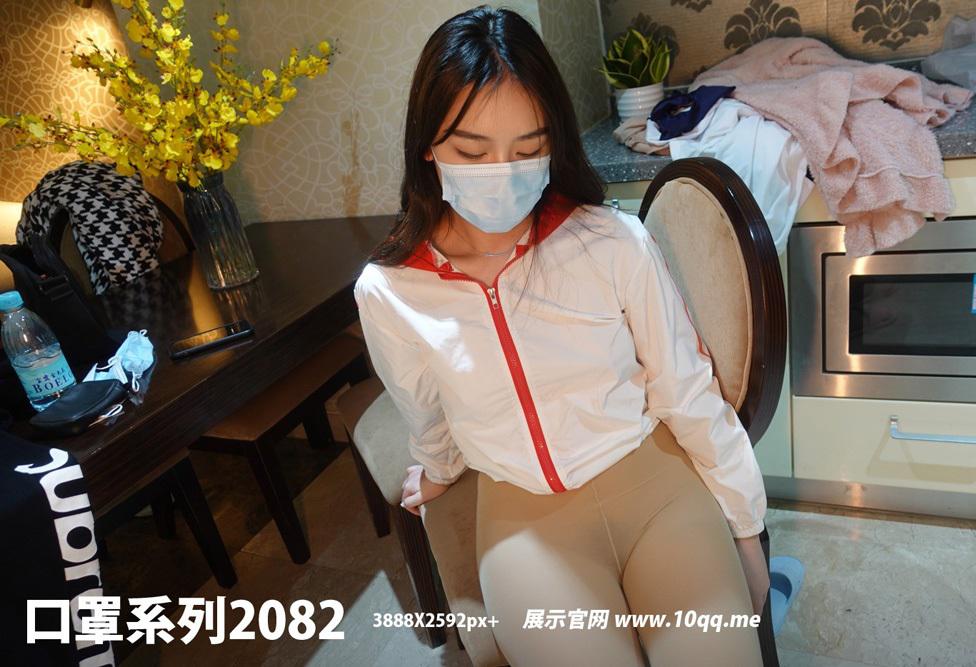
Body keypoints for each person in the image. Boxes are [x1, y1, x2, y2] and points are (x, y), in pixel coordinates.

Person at [353, 5, 769, 666]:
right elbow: (426, 409)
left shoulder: (610, 241)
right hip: (524, 521)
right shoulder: (390, 291)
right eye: (472, 151)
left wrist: (746, 527)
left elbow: (685, 386)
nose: (502, 171)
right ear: (427, 146)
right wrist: (437, 471)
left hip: (654, 485)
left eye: (528, 149)